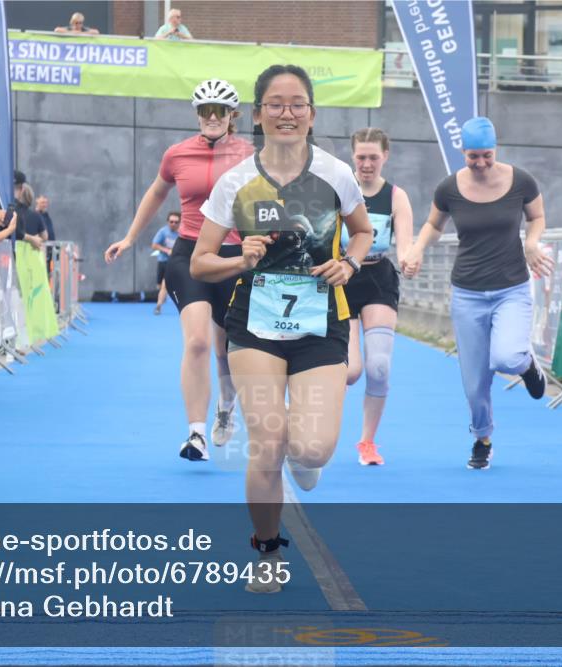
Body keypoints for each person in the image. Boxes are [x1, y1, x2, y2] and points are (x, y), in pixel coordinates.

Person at [191, 64, 372, 593]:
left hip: (321, 325)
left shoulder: (337, 175)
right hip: (255, 324)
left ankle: (304, 451)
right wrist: (237, 259)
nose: (286, 113)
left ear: (312, 115)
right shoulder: (235, 181)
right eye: (275, 104)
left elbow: (361, 234)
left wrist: (351, 265)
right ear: (258, 114)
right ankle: (267, 550)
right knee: (267, 444)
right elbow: (201, 262)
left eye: (297, 104)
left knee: (311, 450)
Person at [105, 79, 252, 461]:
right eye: (206, 111)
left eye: (221, 110)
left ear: (233, 115)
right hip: (188, 255)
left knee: (226, 349)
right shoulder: (178, 154)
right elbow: (156, 193)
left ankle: (225, 406)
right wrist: (130, 237)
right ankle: (196, 434)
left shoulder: (250, 155)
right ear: (198, 115)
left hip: (232, 257)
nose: (213, 117)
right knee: (198, 342)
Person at [403, 117, 552, 470]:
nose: (481, 163)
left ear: (495, 149)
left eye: (486, 155)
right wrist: (417, 248)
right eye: (473, 157)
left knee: (507, 358)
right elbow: (433, 225)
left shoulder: (521, 181)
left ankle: (528, 365)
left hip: (511, 287)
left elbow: (538, 217)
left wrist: (531, 242)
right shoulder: (449, 188)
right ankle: (482, 438)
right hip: (467, 293)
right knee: (475, 383)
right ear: (463, 153)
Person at [340, 128, 413, 466]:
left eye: (373, 157)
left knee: (379, 365)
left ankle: (367, 442)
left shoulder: (395, 196)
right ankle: (307, 416)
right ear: (352, 156)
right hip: (342, 278)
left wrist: (410, 259)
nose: (367, 164)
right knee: (351, 371)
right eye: (361, 157)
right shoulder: (339, 190)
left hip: (378, 280)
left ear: (386, 155)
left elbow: (406, 244)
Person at [151, 212, 181, 315]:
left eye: (176, 222)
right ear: (168, 222)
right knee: (159, 286)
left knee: (165, 285)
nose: (173, 224)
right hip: (162, 261)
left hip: (174, 263)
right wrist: (166, 250)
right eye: (171, 222)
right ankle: (162, 298)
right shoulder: (163, 232)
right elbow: (154, 245)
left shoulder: (182, 233)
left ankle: (158, 306)